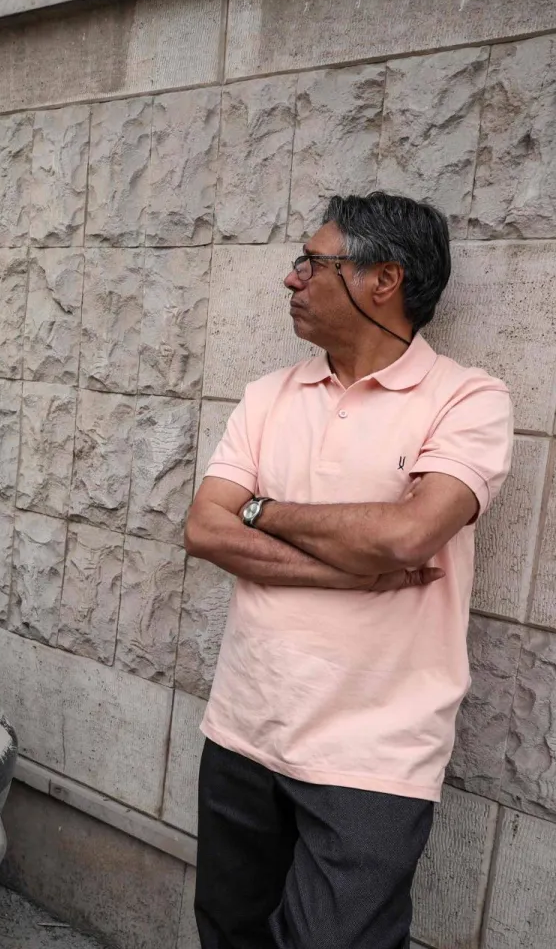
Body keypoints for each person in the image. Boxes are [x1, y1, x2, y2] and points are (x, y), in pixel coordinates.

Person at [182, 193, 513, 949]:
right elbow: (204, 528)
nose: (292, 279)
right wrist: (343, 570)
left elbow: (406, 536)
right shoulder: (269, 396)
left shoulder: (468, 399)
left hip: (374, 755)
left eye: (313, 261)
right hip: (244, 727)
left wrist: (262, 510)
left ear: (383, 280)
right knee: (229, 933)